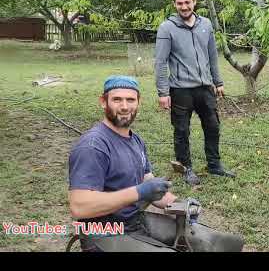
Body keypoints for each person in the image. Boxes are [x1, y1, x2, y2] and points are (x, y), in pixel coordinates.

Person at [68, 75, 243, 252]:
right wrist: (139, 192)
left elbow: (149, 185)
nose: (124, 106)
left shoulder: (135, 141)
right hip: (103, 233)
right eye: (117, 100)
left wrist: (180, 203)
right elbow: (80, 207)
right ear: (103, 102)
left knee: (220, 242)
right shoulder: (93, 147)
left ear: (139, 102)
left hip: (135, 221)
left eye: (130, 100)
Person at [154, 0, 236, 186]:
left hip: (205, 88)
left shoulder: (206, 24)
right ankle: (186, 168)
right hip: (180, 90)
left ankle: (214, 165)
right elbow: (160, 62)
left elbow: (212, 56)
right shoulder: (167, 28)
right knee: (181, 130)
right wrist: (163, 92)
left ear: (194, 1)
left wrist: (218, 82)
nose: (184, 7)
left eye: (187, 2)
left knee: (213, 126)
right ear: (174, 4)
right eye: (180, 3)